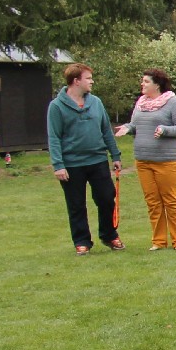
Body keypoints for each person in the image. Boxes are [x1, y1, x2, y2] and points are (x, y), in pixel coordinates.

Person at [46, 63, 122, 254]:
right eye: (88, 78)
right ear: (76, 81)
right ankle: (82, 241)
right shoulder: (56, 106)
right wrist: (58, 165)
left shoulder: (96, 102)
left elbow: (106, 130)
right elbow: (54, 137)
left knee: (107, 198)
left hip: (98, 160)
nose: (92, 81)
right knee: (76, 204)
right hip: (72, 164)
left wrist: (115, 155)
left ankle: (109, 235)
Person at [119, 69, 176, 250]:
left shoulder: (172, 103)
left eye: (146, 81)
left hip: (168, 160)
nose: (142, 84)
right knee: (153, 202)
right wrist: (127, 128)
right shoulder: (141, 103)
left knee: (171, 200)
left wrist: (165, 130)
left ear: (157, 84)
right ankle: (158, 241)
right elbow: (136, 125)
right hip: (143, 160)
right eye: (142, 81)